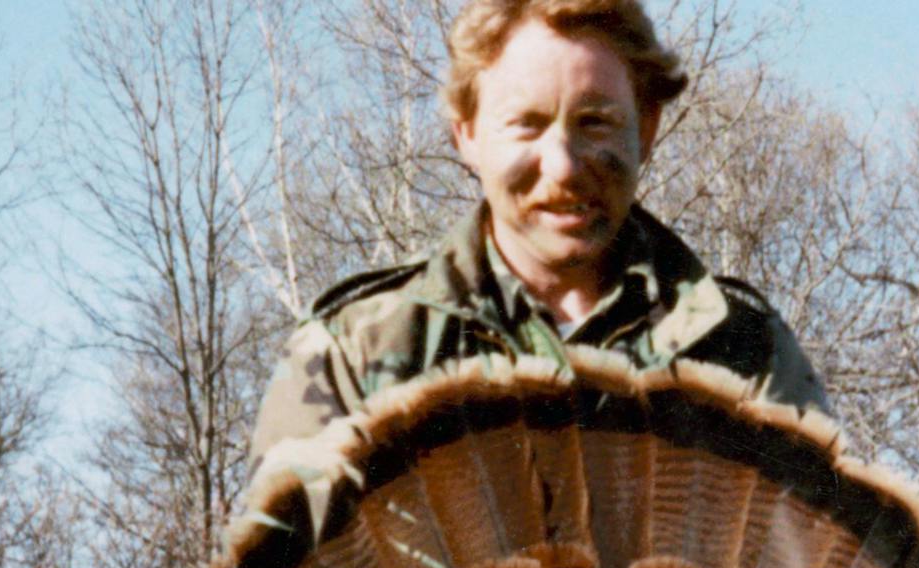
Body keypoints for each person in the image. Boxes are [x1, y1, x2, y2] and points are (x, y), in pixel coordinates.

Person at [247, 0, 828, 460]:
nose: (564, 165)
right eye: (526, 126)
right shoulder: (352, 356)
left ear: (647, 128)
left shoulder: (747, 353)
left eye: (595, 122)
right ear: (465, 135)